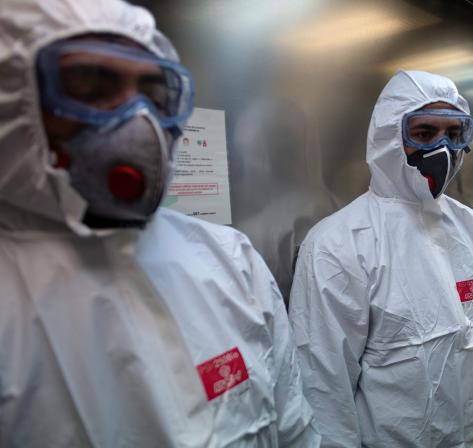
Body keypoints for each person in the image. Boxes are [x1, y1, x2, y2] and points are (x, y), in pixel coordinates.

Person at [0, 0, 318, 446]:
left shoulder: (229, 259)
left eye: (154, 92)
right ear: (15, 99)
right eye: (91, 83)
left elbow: (295, 428)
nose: (140, 120)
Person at [289, 70, 473, 447]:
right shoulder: (338, 244)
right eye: (423, 134)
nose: (443, 149)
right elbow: (324, 395)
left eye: (453, 135)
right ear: (388, 136)